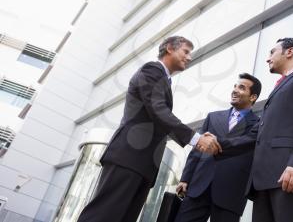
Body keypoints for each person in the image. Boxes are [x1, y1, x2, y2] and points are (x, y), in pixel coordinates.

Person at [77, 36, 221, 222]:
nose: (189, 57)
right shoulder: (152, 70)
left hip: (142, 163)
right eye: (186, 51)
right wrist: (196, 139)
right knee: (103, 215)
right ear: (169, 48)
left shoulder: (163, 79)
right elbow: (158, 110)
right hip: (128, 157)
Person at [215, 38, 293, 222]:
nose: (267, 58)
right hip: (264, 183)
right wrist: (217, 145)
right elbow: (256, 135)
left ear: (289, 52)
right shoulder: (278, 88)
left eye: (272, 52)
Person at [174, 73, 261, 222]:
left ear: (252, 97)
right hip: (199, 185)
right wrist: (185, 178)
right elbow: (197, 150)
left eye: (241, 88)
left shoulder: (259, 124)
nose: (234, 90)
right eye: (235, 86)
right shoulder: (213, 117)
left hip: (231, 191)